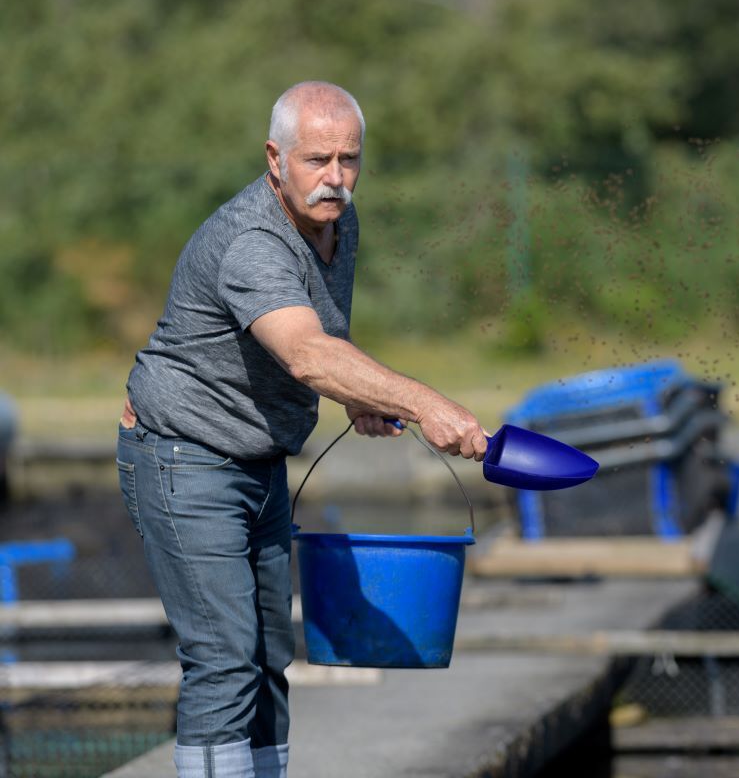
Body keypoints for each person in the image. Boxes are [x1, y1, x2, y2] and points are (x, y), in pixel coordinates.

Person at [116, 81, 488, 778]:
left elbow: (323, 332)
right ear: (274, 158)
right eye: (318, 159)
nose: (337, 179)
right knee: (224, 656)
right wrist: (425, 402)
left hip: (258, 460)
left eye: (350, 159)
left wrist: (356, 398)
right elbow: (307, 354)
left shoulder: (336, 222)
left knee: (269, 657)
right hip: (182, 454)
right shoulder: (250, 240)